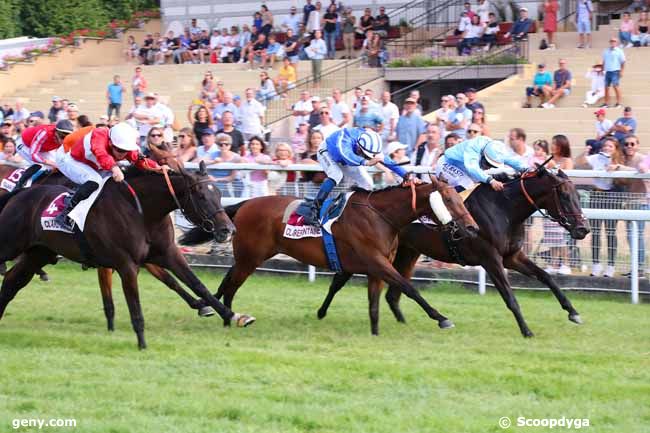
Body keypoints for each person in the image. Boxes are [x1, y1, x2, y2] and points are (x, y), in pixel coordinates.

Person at [297, 128, 414, 225]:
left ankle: (363, 212)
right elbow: (346, 155)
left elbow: (388, 162)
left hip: (347, 157)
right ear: (359, 147)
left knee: (368, 183)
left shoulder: (368, 143)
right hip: (328, 152)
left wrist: (406, 176)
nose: (367, 158)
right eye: (365, 155)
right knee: (336, 175)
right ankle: (313, 209)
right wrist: (366, 162)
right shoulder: (344, 142)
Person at [54, 123, 161, 226]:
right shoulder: (99, 135)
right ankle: (64, 214)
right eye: (119, 150)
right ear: (110, 143)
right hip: (71, 161)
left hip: (93, 165)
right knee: (95, 181)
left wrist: (158, 168)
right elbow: (101, 154)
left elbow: (140, 160)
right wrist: (114, 168)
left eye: (126, 150)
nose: (122, 154)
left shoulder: (124, 146)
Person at [575, 137, 622, 277]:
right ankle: (596, 264)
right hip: (596, 195)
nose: (607, 148)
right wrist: (585, 152)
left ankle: (611, 266)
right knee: (595, 231)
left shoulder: (618, 160)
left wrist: (616, 167)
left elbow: (628, 171)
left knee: (610, 232)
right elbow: (579, 162)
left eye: (610, 146)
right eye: (605, 145)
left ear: (615, 149)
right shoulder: (596, 158)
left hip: (612, 197)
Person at [436, 136, 529, 192]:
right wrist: (491, 181)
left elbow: (512, 160)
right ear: (484, 155)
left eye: (491, 166)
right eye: (487, 163)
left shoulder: (497, 150)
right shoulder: (473, 147)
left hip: (462, 170)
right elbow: (472, 169)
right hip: (447, 163)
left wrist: (527, 169)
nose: (488, 167)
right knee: (468, 185)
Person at [542, 135, 574, 275]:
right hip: (551, 201)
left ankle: (566, 263)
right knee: (552, 235)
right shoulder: (549, 159)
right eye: (552, 143)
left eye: (555, 144)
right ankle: (553, 263)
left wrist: (553, 167)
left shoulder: (567, 161)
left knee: (562, 235)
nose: (552, 146)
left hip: (562, 202)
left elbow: (566, 179)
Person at [14, 120, 75, 188]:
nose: (63, 140)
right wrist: (51, 163)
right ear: (56, 132)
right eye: (62, 136)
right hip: (25, 145)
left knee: (57, 165)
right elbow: (33, 155)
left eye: (66, 137)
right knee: (40, 166)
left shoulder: (69, 140)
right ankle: (21, 185)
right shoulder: (44, 133)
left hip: (43, 149)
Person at [212, 133, 243, 197]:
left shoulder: (236, 157)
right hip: (216, 184)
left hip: (232, 185)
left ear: (230, 145)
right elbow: (201, 160)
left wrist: (216, 179)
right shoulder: (214, 154)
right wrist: (213, 161)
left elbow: (232, 177)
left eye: (226, 144)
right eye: (221, 144)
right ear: (217, 145)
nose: (224, 146)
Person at [602, 37, 625, 109]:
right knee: (606, 88)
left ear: (616, 42)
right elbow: (604, 61)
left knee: (615, 86)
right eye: (611, 41)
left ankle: (619, 103)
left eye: (614, 41)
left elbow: (623, 61)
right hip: (607, 71)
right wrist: (603, 69)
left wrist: (622, 71)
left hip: (615, 71)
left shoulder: (619, 51)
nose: (612, 42)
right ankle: (606, 103)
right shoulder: (606, 51)